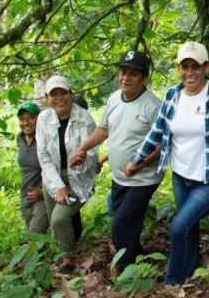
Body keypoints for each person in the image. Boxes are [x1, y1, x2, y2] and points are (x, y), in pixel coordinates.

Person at [127, 42, 209, 286]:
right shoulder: (173, 95)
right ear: (178, 69)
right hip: (181, 176)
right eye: (184, 67)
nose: (189, 72)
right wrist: (136, 160)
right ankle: (191, 270)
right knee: (189, 226)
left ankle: (173, 281)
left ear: (206, 66)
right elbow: (157, 130)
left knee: (178, 227)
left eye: (195, 66)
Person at [69, 51, 162, 271]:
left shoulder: (153, 106)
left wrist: (140, 164)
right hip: (120, 176)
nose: (125, 78)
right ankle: (139, 256)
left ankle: (126, 273)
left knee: (120, 225)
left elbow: (163, 144)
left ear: (145, 78)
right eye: (123, 72)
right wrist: (82, 149)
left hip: (144, 178)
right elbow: (104, 130)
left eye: (133, 74)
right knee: (128, 222)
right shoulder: (113, 99)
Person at [36, 75, 98, 274]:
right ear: (47, 98)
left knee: (58, 219)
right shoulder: (44, 118)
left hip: (78, 177)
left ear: (71, 94)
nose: (59, 98)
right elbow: (44, 156)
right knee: (56, 217)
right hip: (52, 176)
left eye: (63, 92)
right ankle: (66, 249)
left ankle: (68, 259)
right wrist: (58, 185)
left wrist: (81, 160)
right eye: (54, 94)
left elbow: (92, 153)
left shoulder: (84, 118)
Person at [16, 102, 49, 234]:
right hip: (25, 198)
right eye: (22, 119)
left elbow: (58, 168)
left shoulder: (46, 139)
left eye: (31, 118)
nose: (26, 123)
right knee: (38, 243)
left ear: (39, 119)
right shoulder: (20, 138)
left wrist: (44, 192)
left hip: (42, 198)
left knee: (34, 237)